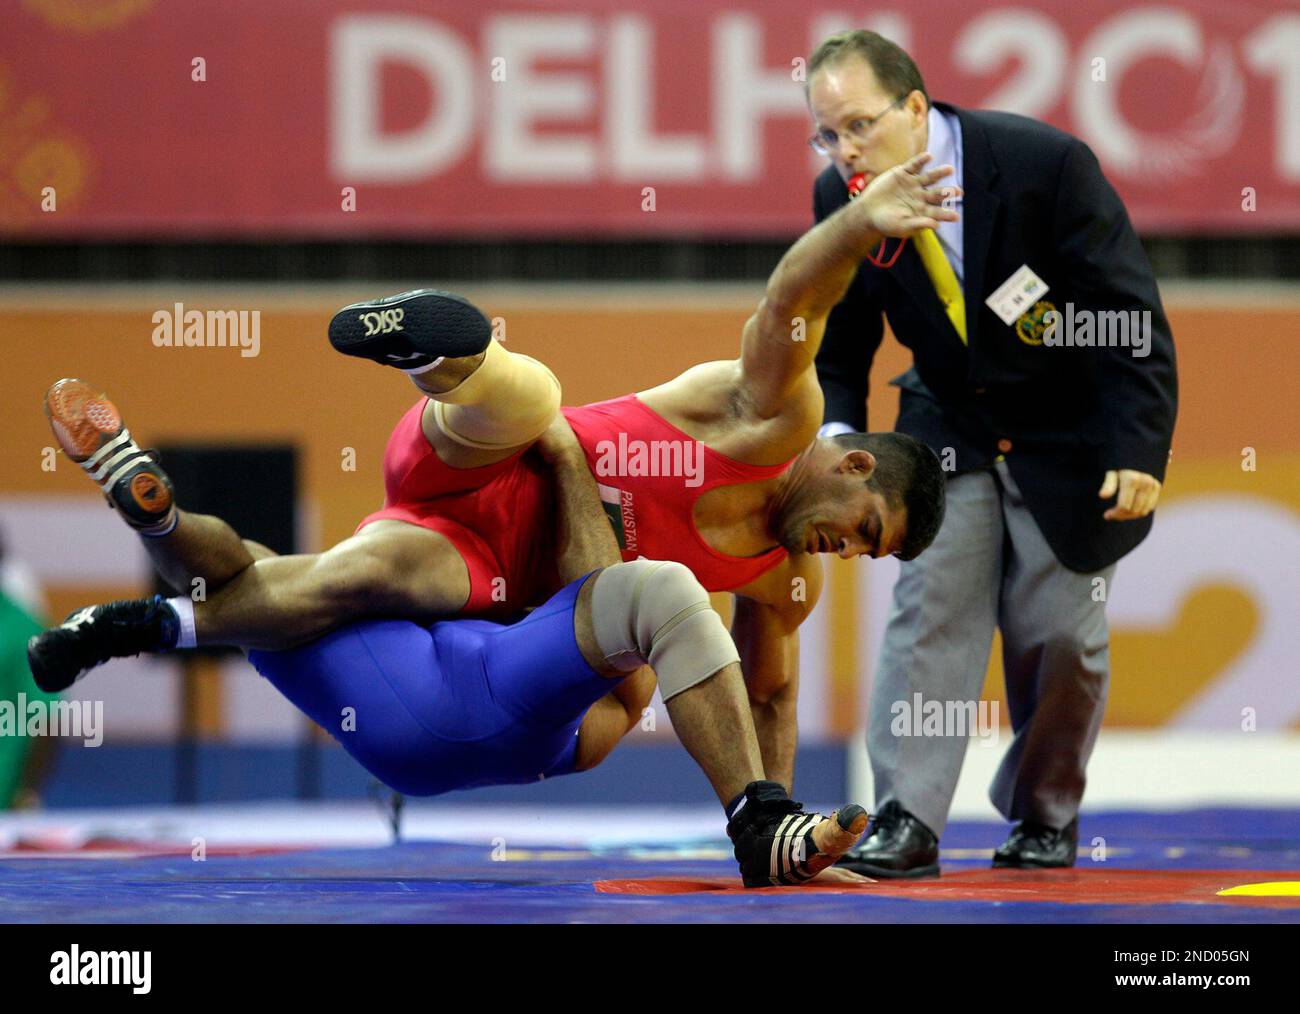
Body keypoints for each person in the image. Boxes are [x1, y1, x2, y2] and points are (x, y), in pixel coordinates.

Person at [28, 151, 954, 794]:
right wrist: (858, 220)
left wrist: (782, 819)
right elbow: (792, 299)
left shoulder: (786, 583)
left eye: (873, 558)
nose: (853, 553)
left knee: (339, 580)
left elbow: (769, 696)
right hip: (479, 461)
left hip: (482, 566)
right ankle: (437, 357)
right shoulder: (772, 419)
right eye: (869, 530)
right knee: (533, 402)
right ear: (854, 464)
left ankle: (142, 585)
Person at [31, 410, 870, 888]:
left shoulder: (574, 639)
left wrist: (573, 462)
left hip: (412, 698)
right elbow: (618, 648)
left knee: (260, 584)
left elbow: (598, 594)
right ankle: (155, 548)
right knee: (257, 583)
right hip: (440, 716)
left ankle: (149, 583)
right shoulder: (607, 699)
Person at [804, 30, 1178, 875]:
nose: (846, 151)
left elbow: (1127, 314)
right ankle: (906, 820)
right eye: (828, 135)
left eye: (860, 126)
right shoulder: (845, 197)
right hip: (949, 429)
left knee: (1059, 637)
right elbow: (839, 345)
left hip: (1067, 431)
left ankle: (1045, 815)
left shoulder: (1044, 163)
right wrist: (837, 442)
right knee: (929, 613)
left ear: (914, 106)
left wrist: (1138, 447)